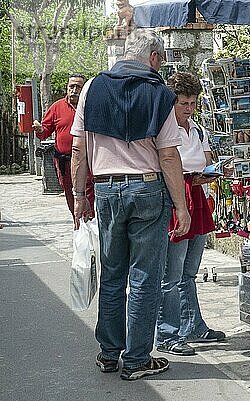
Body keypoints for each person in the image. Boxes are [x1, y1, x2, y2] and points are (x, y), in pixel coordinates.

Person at [70, 29, 191, 381]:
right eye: (162, 60)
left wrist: (80, 196)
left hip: (106, 191)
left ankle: (109, 354)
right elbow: (168, 156)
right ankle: (137, 359)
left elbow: (78, 149)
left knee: (113, 275)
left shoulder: (92, 87)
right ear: (153, 58)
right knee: (144, 279)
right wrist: (181, 207)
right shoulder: (159, 94)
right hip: (148, 191)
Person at [155, 72, 226, 356]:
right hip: (177, 200)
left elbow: (207, 160)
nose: (188, 108)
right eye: (183, 103)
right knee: (171, 274)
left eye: (193, 103)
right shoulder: (164, 130)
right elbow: (166, 165)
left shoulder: (197, 129)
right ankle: (168, 333)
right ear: (172, 102)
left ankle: (192, 325)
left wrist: (215, 172)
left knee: (190, 272)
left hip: (198, 198)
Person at [33, 74, 95, 220]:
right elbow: (45, 131)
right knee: (70, 193)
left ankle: (90, 221)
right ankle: (77, 224)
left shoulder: (91, 106)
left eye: (78, 87)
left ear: (84, 89)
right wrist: (40, 130)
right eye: (71, 86)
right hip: (64, 162)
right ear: (67, 88)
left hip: (86, 160)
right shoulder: (57, 107)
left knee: (88, 191)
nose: (74, 90)